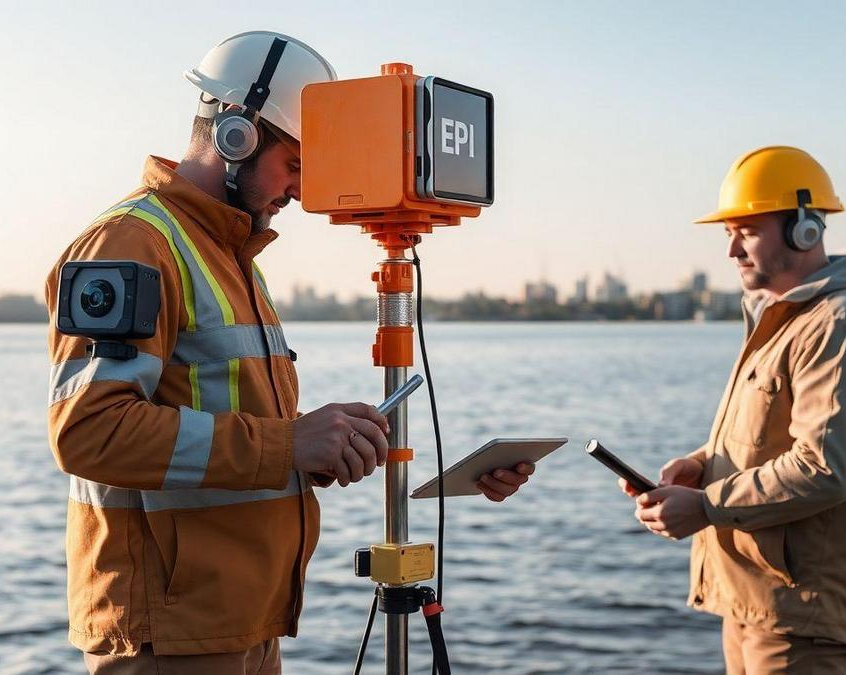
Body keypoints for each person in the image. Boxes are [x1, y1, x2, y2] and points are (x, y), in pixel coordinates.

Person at [44, 31, 533, 675]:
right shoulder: (132, 244)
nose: (300, 191)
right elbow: (91, 434)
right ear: (235, 135)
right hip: (169, 635)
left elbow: (238, 438)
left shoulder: (230, 253)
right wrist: (289, 446)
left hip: (239, 620)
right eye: (295, 164)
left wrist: (329, 445)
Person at [619, 146, 846, 673]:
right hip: (758, 602)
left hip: (804, 616)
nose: (731, 250)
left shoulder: (841, 325)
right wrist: (703, 464)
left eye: (746, 231)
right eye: (726, 233)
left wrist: (706, 505)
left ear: (805, 229)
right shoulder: (785, 320)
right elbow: (768, 435)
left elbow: (825, 468)